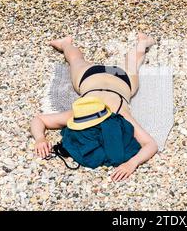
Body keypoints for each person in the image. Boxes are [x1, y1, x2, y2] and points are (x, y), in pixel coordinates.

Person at [30, 33, 158, 182]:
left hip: (100, 78)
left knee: (76, 60)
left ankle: (65, 43)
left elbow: (39, 119)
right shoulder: (112, 113)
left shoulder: (91, 114)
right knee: (131, 61)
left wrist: (40, 138)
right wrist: (39, 138)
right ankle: (144, 42)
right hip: (114, 78)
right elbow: (150, 144)